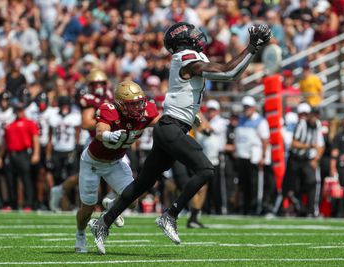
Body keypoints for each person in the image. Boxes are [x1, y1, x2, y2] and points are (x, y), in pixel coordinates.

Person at [88, 22, 271, 253]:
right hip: (171, 127)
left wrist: (252, 49)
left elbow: (222, 75)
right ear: (183, 41)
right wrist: (252, 48)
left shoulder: (187, 58)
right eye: (192, 34)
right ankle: (170, 215)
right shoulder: (185, 56)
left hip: (172, 127)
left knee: (143, 183)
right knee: (205, 169)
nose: (197, 36)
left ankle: (103, 223)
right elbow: (228, 73)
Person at [76, 80, 159, 253]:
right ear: (120, 104)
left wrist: (182, 121)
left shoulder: (147, 111)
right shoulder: (110, 110)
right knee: (88, 208)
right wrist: (107, 135)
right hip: (93, 163)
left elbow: (162, 122)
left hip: (115, 162)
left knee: (133, 200)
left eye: (139, 102)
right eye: (133, 104)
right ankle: (80, 235)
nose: (138, 107)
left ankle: (110, 205)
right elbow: (99, 130)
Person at [49, 68, 113, 212]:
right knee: (88, 176)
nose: (98, 86)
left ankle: (113, 202)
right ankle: (60, 190)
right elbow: (86, 123)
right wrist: (110, 123)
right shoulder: (88, 99)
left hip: (109, 141)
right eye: (95, 83)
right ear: (89, 85)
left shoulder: (109, 96)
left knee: (121, 170)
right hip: (93, 141)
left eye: (101, 83)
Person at [274, 104, 325, 217]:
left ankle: (312, 211)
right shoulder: (301, 124)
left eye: (317, 115)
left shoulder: (317, 125)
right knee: (288, 186)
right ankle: (278, 209)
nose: (315, 118)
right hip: (295, 158)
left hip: (307, 160)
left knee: (313, 183)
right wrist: (309, 146)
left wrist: (316, 159)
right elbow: (293, 143)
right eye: (313, 115)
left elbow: (321, 145)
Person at [0, 102, 40, 211]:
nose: (19, 112)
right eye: (17, 110)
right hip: (11, 155)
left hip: (23, 154)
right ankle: (12, 203)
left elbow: (35, 139)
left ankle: (28, 203)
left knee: (26, 179)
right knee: (10, 180)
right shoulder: (10, 125)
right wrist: (0, 157)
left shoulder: (30, 123)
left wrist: (36, 153)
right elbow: (5, 143)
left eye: (21, 110)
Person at [234, 96, 270, 215]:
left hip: (254, 158)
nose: (246, 109)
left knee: (255, 185)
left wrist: (263, 157)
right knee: (244, 185)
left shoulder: (260, 121)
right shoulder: (241, 120)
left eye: (248, 107)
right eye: (245, 107)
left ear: (254, 108)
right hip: (242, 157)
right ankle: (246, 208)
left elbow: (265, 140)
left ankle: (256, 208)